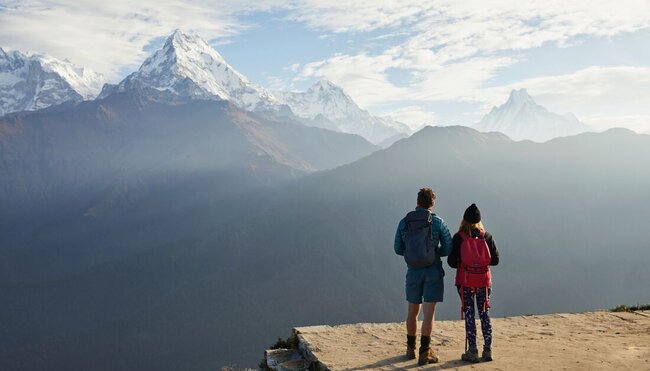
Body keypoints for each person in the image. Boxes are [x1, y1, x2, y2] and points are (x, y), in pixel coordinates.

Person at [394, 188, 452, 365]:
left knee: (412, 311)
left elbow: (397, 248)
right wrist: (433, 254)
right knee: (428, 313)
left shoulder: (405, 222)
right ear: (432, 204)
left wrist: (412, 254)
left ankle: (410, 349)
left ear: (417, 201)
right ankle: (424, 352)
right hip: (432, 270)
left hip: (413, 271)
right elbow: (448, 248)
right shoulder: (438, 222)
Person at [447, 203, 499, 363]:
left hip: (466, 282)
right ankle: (488, 350)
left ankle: (472, 351)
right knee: (484, 313)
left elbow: (452, 262)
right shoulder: (487, 237)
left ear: (464, 220)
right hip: (484, 282)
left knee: (469, 314)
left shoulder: (459, 238)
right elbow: (495, 261)